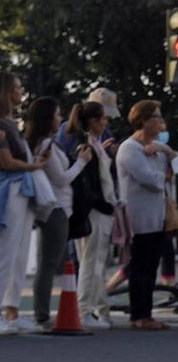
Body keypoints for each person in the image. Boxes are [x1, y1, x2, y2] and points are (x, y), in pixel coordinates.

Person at [26, 97, 90, 329]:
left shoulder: (46, 144)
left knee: (50, 261)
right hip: (55, 208)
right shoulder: (47, 146)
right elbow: (62, 179)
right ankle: (42, 314)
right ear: (47, 118)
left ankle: (41, 312)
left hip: (56, 208)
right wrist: (81, 162)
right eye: (56, 115)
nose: (60, 118)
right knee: (50, 263)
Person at [116, 100, 178, 330]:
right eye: (156, 116)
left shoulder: (157, 148)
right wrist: (165, 172)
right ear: (143, 120)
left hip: (158, 217)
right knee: (139, 267)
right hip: (139, 219)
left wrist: (166, 151)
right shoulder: (129, 149)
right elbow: (151, 180)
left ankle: (147, 314)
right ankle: (138, 315)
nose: (160, 121)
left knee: (152, 265)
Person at [0, 72, 47, 334]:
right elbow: (5, 162)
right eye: (17, 88)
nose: (21, 93)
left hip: (20, 190)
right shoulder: (3, 124)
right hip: (11, 189)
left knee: (18, 252)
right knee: (6, 252)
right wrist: (34, 165)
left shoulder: (10, 123)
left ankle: (12, 309)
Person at [66, 101, 118, 330]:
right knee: (91, 262)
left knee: (94, 262)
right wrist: (102, 204)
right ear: (94, 121)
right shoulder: (85, 145)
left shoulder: (92, 144)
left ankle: (96, 308)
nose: (106, 122)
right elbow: (87, 182)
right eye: (103, 119)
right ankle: (85, 309)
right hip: (94, 211)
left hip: (96, 209)